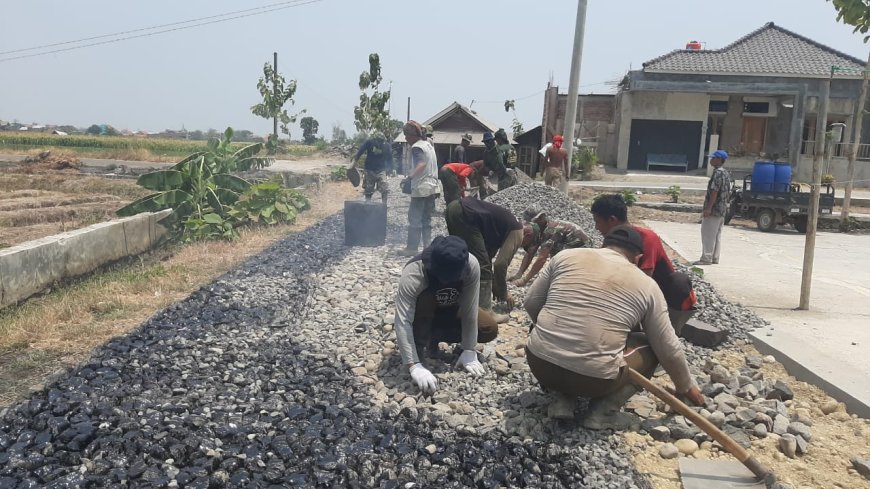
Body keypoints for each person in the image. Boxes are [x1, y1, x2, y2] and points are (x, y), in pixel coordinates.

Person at [524, 225, 704, 425]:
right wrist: (685, 386)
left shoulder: (565, 257)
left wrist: (555, 333)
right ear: (638, 258)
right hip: (593, 381)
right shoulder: (648, 285)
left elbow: (531, 303)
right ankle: (603, 413)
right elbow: (667, 346)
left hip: (540, 365)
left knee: (542, 326)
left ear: (603, 245)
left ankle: (562, 399)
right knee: (652, 345)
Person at [394, 236, 496, 394]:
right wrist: (414, 365)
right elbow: (402, 321)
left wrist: (469, 349)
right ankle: (420, 347)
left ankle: (435, 338)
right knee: (426, 299)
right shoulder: (414, 272)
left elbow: (469, 309)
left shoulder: (471, 265)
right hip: (422, 316)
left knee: (488, 328)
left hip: (451, 310)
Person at [591, 194, 697, 334]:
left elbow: (644, 280)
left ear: (612, 220)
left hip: (660, 295)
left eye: (597, 222)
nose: (596, 228)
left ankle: (668, 331)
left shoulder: (647, 238)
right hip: (636, 293)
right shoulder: (611, 241)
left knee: (679, 281)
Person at [445, 197, 524, 322]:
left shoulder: (498, 229)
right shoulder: (518, 231)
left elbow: (487, 258)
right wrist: (503, 293)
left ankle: (456, 302)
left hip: (454, 208)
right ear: (529, 234)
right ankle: (485, 313)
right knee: (480, 264)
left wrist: (494, 285)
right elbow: (499, 265)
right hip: (465, 213)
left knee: (462, 256)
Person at [510, 211, 589, 286]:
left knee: (555, 254)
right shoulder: (539, 229)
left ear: (542, 218)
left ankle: (568, 275)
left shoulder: (550, 229)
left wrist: (524, 280)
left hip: (582, 250)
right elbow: (530, 252)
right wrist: (519, 274)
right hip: (573, 248)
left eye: (533, 222)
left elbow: (542, 258)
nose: (530, 225)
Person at [399, 121, 442, 257]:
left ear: (413, 135)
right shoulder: (428, 145)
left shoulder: (417, 147)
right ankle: (427, 248)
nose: (405, 138)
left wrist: (409, 177)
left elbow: (422, 163)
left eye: (406, 135)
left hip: (421, 187)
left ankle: (412, 248)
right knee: (426, 219)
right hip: (432, 187)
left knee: (414, 218)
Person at [695, 150, 732, 265]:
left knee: (708, 234)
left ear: (719, 160)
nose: (711, 160)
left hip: (714, 210)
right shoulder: (726, 173)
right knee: (717, 235)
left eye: (713, 158)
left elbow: (714, 192)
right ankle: (715, 257)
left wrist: (708, 208)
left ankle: (706, 258)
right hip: (722, 209)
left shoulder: (717, 173)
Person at [350, 133, 393, 204]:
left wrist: (390, 169)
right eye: (378, 141)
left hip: (381, 170)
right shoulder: (369, 142)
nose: (380, 142)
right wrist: (354, 162)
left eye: (381, 141)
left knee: (384, 187)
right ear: (375, 140)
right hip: (369, 169)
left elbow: (390, 158)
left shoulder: (386, 146)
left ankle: (384, 204)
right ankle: (368, 203)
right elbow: (360, 151)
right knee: (368, 188)